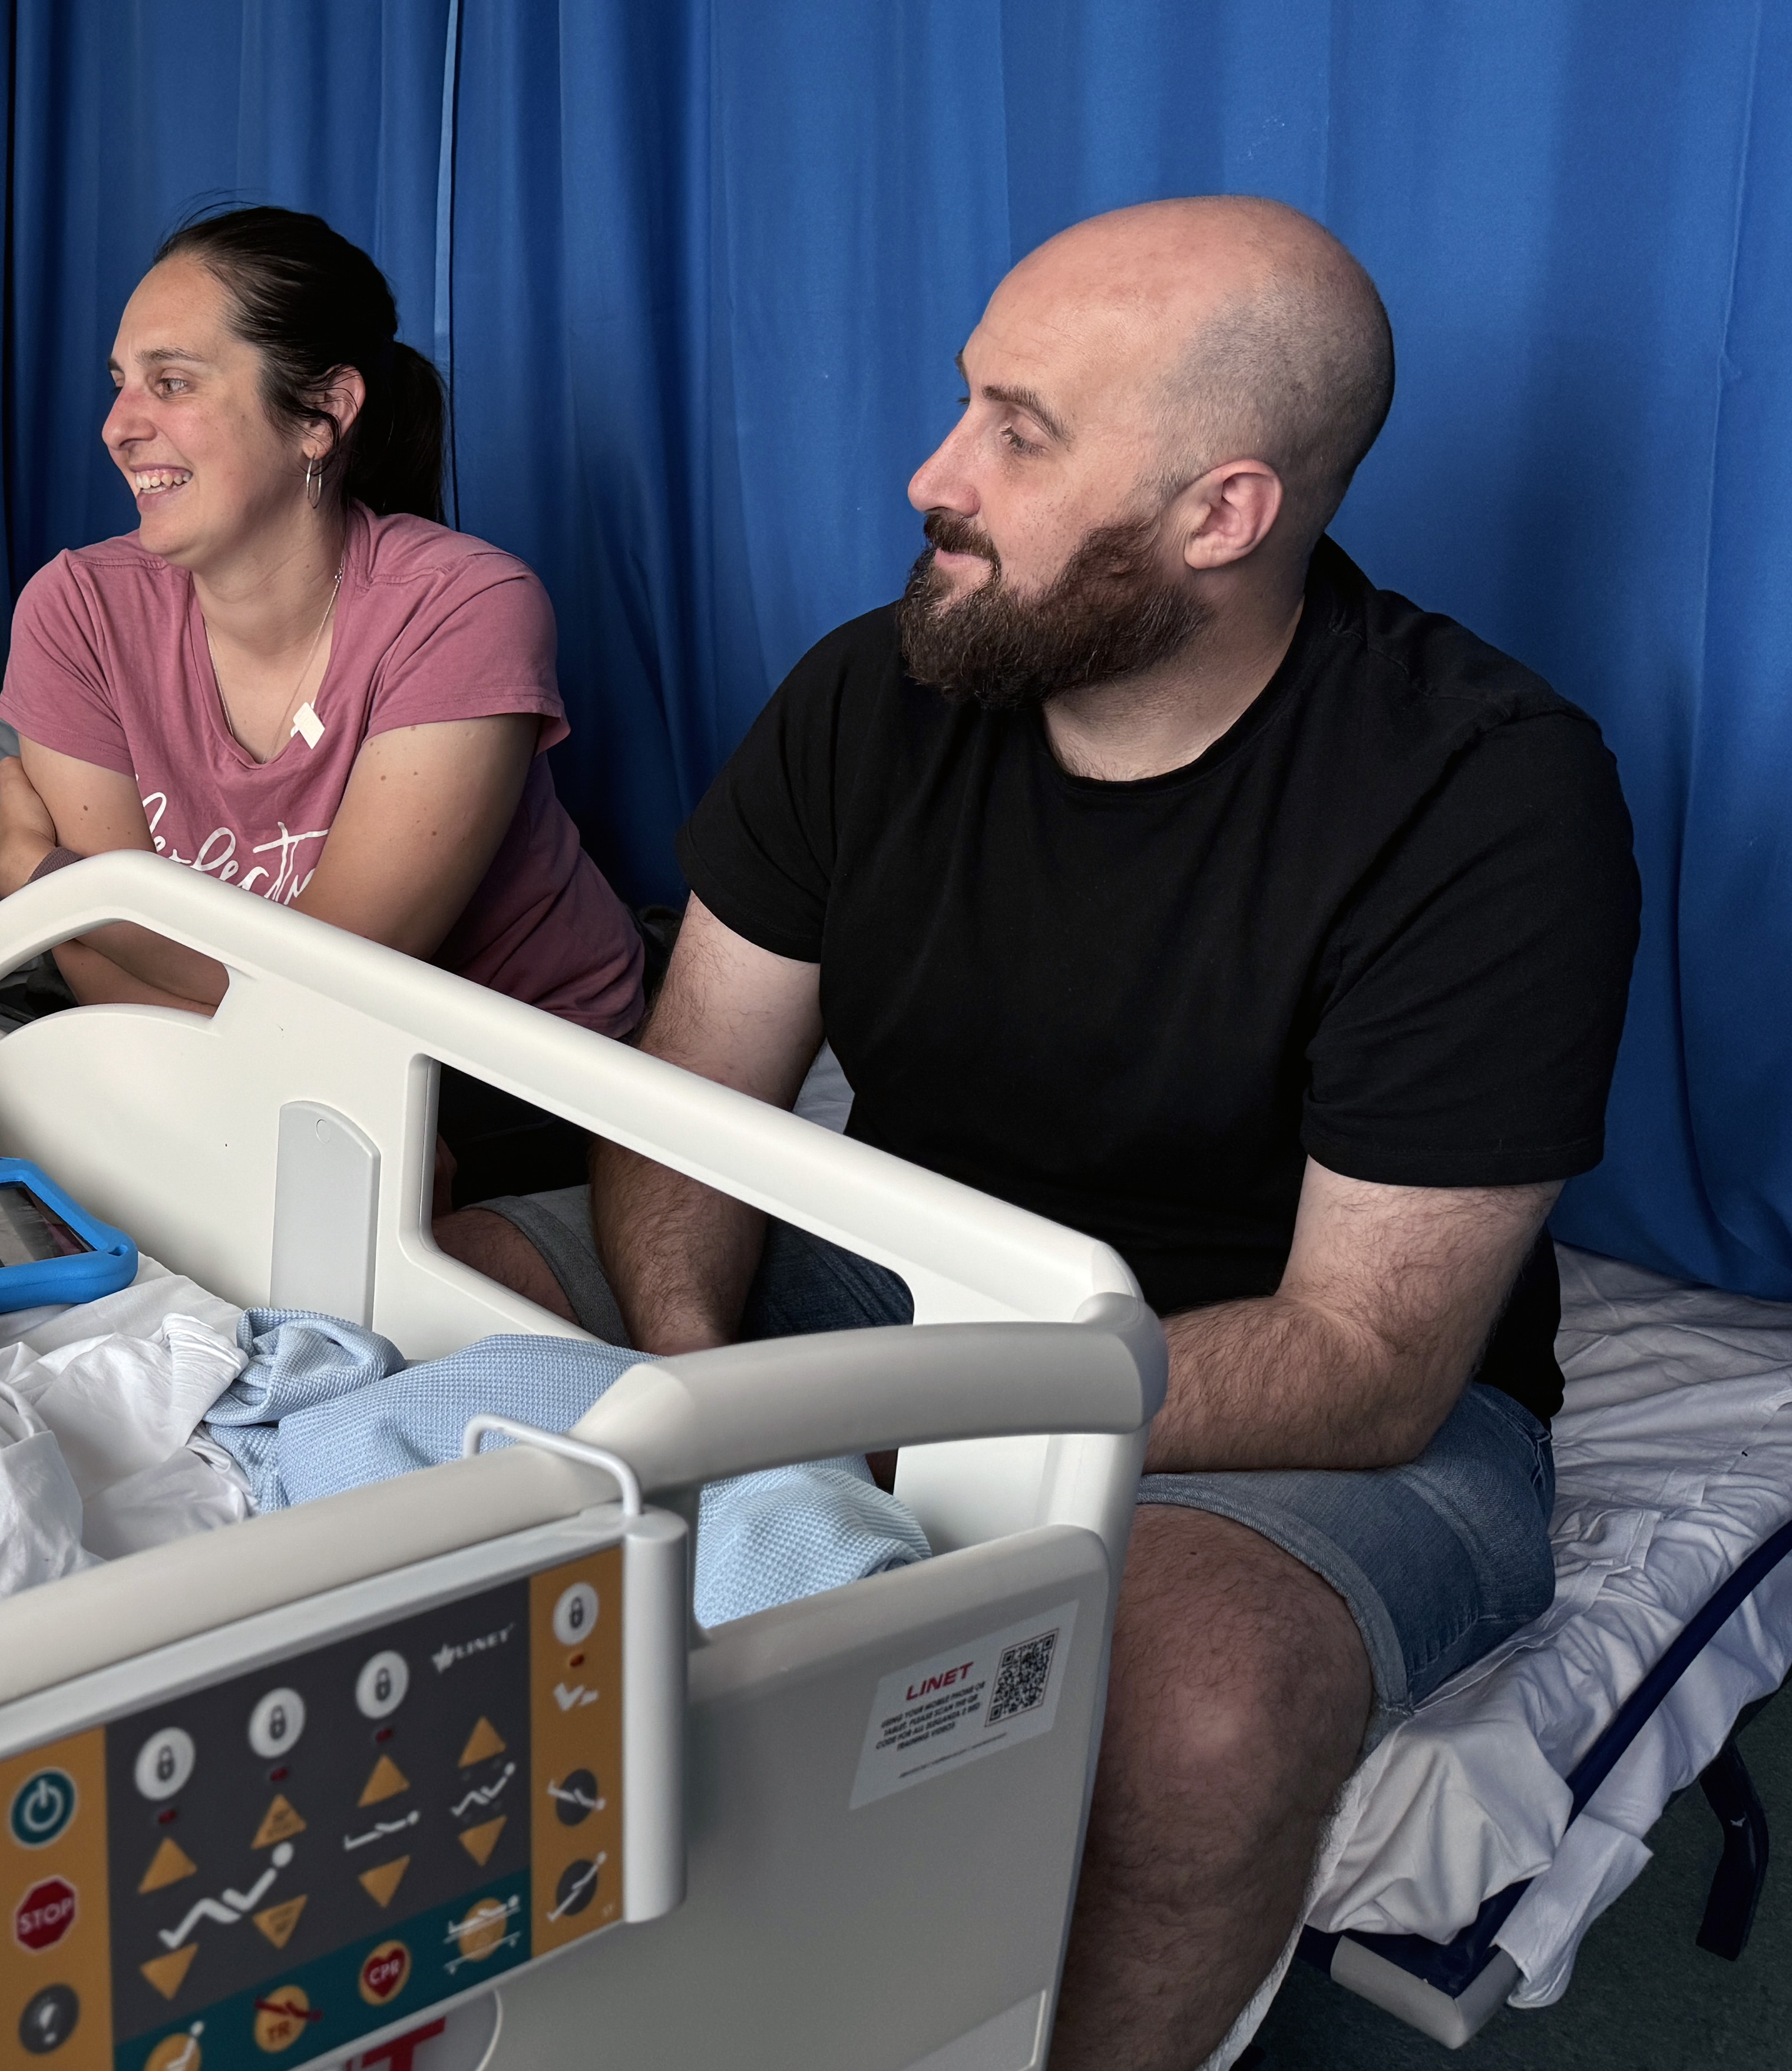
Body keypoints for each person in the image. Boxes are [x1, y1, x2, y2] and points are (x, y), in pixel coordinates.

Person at [471, 198, 1639, 2068]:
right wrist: (696, 1385)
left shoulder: (1483, 798)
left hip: (1273, 1391)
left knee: (1195, 1714)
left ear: (1221, 514)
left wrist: (850, 1427)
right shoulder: (885, 685)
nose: (933, 474)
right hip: (897, 1270)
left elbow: (1369, 1357)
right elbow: (696, 1106)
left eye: (1021, 431)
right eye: (964, 403)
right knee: (441, 1300)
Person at [0, 206, 644, 1200]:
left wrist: (42, 881)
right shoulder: (77, 610)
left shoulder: (465, 607)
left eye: (172, 382)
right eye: (120, 385)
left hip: (510, 1069)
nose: (119, 426)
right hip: (238, 1053)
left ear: (322, 412)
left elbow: (331, 984)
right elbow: (91, 963)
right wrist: (246, 1082)